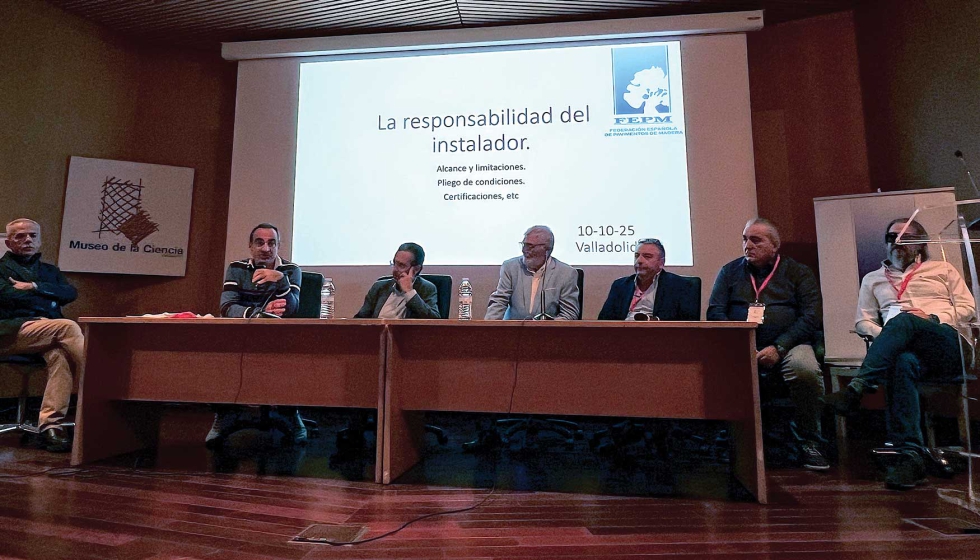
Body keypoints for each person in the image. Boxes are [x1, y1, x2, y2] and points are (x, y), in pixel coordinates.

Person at [824, 219, 976, 490]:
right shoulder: (872, 279)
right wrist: (889, 335)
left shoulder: (942, 269)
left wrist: (931, 317)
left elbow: (968, 309)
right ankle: (911, 459)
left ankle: (858, 387)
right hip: (905, 349)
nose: (897, 242)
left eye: (906, 238)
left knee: (905, 320)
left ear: (921, 243)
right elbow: (863, 321)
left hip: (948, 345)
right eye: (891, 237)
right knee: (902, 360)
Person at [707, 218, 827, 470]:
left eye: (756, 240)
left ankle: (810, 441)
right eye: (744, 239)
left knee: (804, 370)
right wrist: (741, 342)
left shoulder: (798, 272)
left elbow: (811, 317)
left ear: (775, 245)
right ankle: (729, 439)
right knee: (714, 369)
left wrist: (780, 347)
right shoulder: (729, 271)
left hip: (790, 344)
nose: (747, 245)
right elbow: (715, 311)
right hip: (739, 344)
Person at [208, 223, 304, 447]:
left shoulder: (291, 270)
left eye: (272, 243)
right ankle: (222, 416)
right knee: (217, 357)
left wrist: (280, 281)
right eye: (259, 242)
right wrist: (260, 314)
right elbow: (227, 307)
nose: (266, 248)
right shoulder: (237, 268)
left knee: (296, 360)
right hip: (243, 336)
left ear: (279, 246)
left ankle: (293, 416)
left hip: (280, 338)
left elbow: (290, 309)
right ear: (250, 246)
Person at [0, 219, 82, 452]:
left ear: (40, 240)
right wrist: (45, 302)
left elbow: (69, 293)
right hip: (8, 332)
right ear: (8, 242)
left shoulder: (49, 271)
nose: (28, 240)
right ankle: (103, 379)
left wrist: (34, 286)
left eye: (33, 236)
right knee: (66, 327)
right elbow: (7, 297)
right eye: (20, 236)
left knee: (60, 355)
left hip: (43, 332)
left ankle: (51, 426)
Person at [486, 225, 580, 320]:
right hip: (514, 331)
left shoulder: (566, 273)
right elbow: (499, 301)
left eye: (530, 246)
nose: (524, 250)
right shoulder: (510, 267)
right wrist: (489, 328)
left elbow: (569, 314)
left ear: (546, 249)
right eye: (524, 244)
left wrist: (545, 328)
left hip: (548, 333)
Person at [598, 238, 699, 321]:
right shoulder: (620, 285)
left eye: (647, 256)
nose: (639, 261)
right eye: (637, 256)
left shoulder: (680, 286)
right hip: (622, 337)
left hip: (661, 337)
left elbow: (688, 322)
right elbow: (604, 320)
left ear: (661, 263)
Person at [353, 243, 439, 319]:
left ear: (416, 269)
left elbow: (433, 321)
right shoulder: (379, 287)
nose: (395, 269)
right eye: (394, 263)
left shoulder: (426, 288)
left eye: (401, 265)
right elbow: (360, 319)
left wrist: (409, 292)